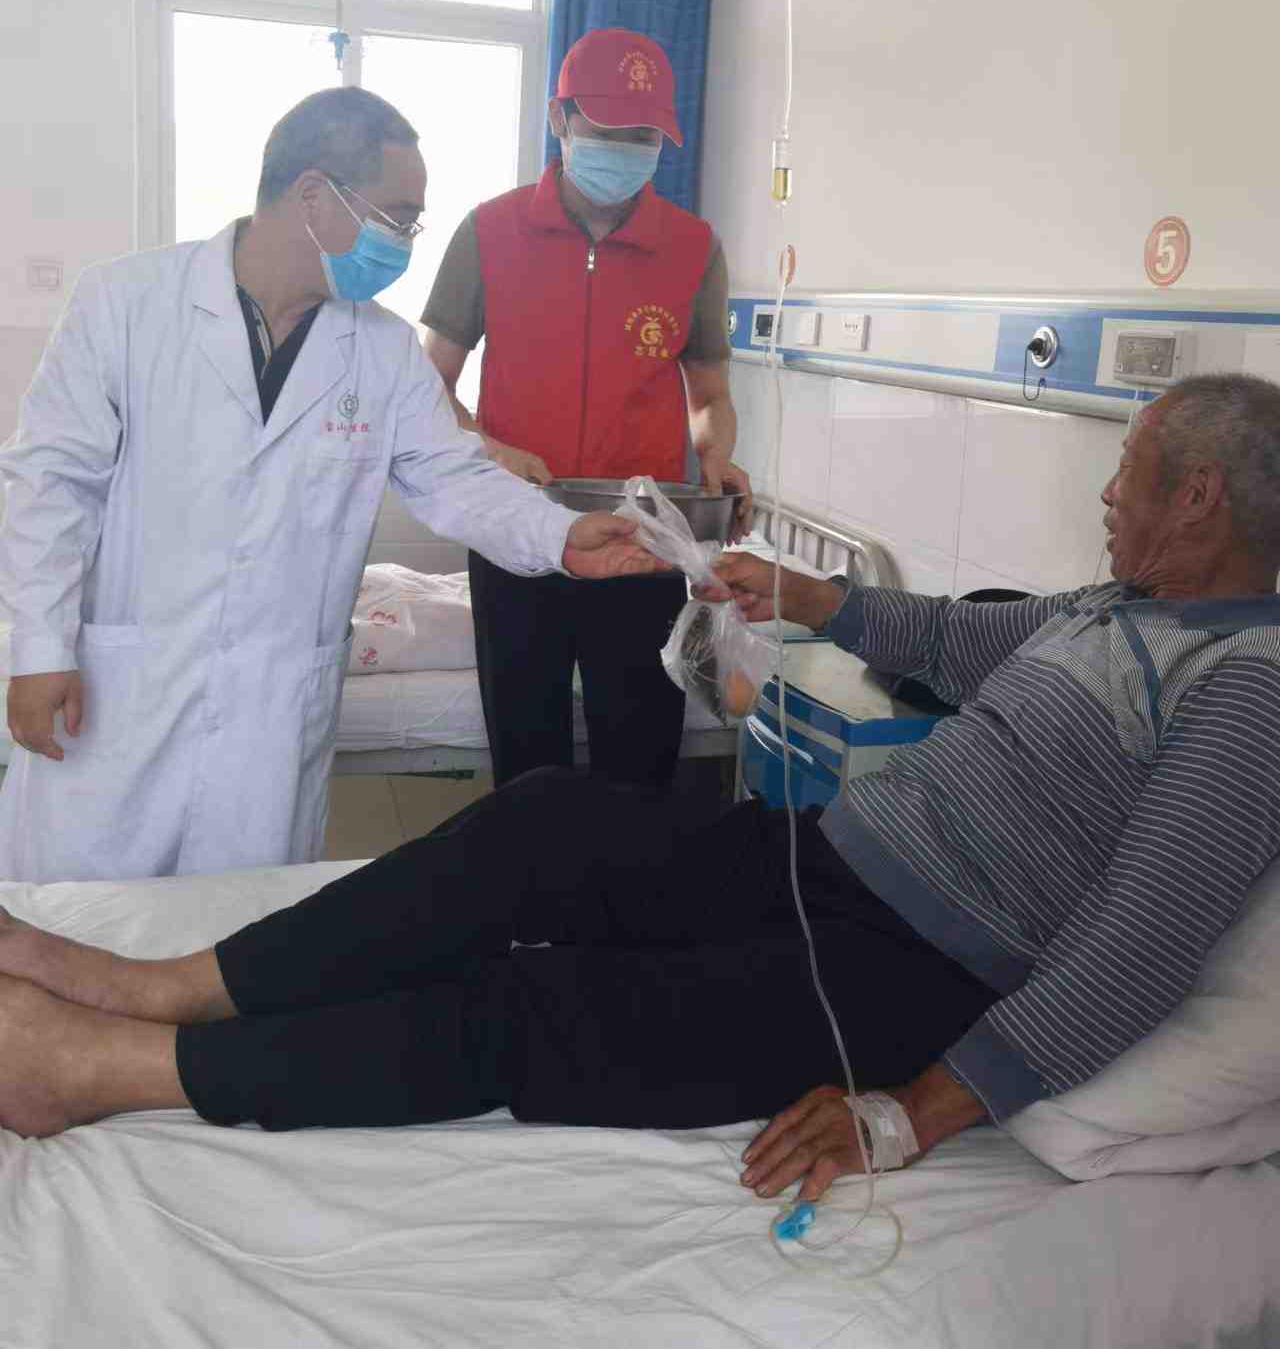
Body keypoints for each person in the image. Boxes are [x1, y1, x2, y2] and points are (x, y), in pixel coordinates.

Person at [3, 375, 1279, 1211]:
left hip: (910, 968)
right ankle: (169, 981)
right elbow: (951, 641)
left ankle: (123, 1065)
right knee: (545, 819)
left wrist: (911, 1114)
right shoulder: (1116, 604)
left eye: (1127, 466)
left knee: (540, 1008)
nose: (1105, 491)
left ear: (1197, 497)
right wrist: (804, 592)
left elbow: (1140, 949)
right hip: (822, 855)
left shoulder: (1247, 686)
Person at [0, 90, 660, 885]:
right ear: (313, 194)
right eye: (397, 218)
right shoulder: (125, 304)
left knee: (239, 927)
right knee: (71, 920)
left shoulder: (382, 350)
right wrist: (38, 649)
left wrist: (559, 534)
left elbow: (451, 476)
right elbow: (50, 486)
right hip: (123, 692)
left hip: (270, 716)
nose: (404, 243)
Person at [422, 27, 751, 788]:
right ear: (559, 118)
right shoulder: (489, 232)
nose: (626, 150)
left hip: (642, 539)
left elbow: (709, 394)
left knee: (639, 760)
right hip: (515, 529)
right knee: (525, 758)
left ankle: (628, 869)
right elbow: (430, 383)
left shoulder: (693, 249)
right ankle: (531, 868)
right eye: (608, 130)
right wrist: (490, 449)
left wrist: (716, 455)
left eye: (644, 136)